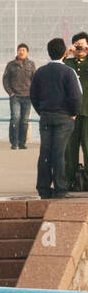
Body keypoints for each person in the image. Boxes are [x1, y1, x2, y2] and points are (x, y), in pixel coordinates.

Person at [30, 38, 83, 199]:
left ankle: (43, 188)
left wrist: (42, 111)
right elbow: (76, 96)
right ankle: (60, 188)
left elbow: (33, 95)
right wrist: (73, 113)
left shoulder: (40, 71)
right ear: (63, 53)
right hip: (64, 117)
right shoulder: (68, 72)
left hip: (46, 116)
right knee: (59, 152)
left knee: (45, 152)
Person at [63, 33, 88, 190]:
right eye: (77, 45)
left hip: (86, 111)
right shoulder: (67, 62)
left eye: (83, 45)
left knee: (87, 147)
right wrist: (66, 53)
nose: (80, 49)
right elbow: (57, 67)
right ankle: (69, 181)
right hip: (71, 113)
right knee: (69, 149)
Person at [2, 43, 36, 151]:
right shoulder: (11, 65)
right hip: (15, 96)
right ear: (17, 51)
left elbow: (35, 80)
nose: (21, 52)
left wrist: (34, 93)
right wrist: (10, 92)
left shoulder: (31, 64)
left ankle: (22, 143)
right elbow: (5, 80)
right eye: (19, 50)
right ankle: (14, 142)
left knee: (25, 120)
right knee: (15, 118)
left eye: (23, 50)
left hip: (28, 96)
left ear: (27, 52)